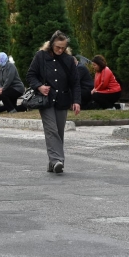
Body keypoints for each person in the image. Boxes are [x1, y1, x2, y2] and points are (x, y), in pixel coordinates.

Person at [26, 30, 81, 173]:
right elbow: (31, 75)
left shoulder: (69, 60)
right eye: (57, 47)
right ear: (51, 44)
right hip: (46, 100)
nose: (60, 50)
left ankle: (53, 162)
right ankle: (57, 160)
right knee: (51, 130)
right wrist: (39, 86)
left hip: (62, 100)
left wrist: (76, 101)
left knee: (59, 131)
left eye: (63, 47)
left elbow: (75, 83)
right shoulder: (41, 56)